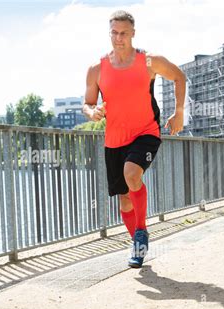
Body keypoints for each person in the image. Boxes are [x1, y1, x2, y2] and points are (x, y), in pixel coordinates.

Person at [82, 10, 185, 268]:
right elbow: (87, 102)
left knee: (131, 174)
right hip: (114, 139)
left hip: (146, 132)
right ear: (110, 34)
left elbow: (179, 77)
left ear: (133, 33)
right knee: (124, 198)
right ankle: (138, 244)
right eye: (114, 33)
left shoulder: (149, 61)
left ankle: (140, 231)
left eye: (124, 33)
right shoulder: (97, 69)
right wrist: (92, 112)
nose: (119, 38)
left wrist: (179, 113)